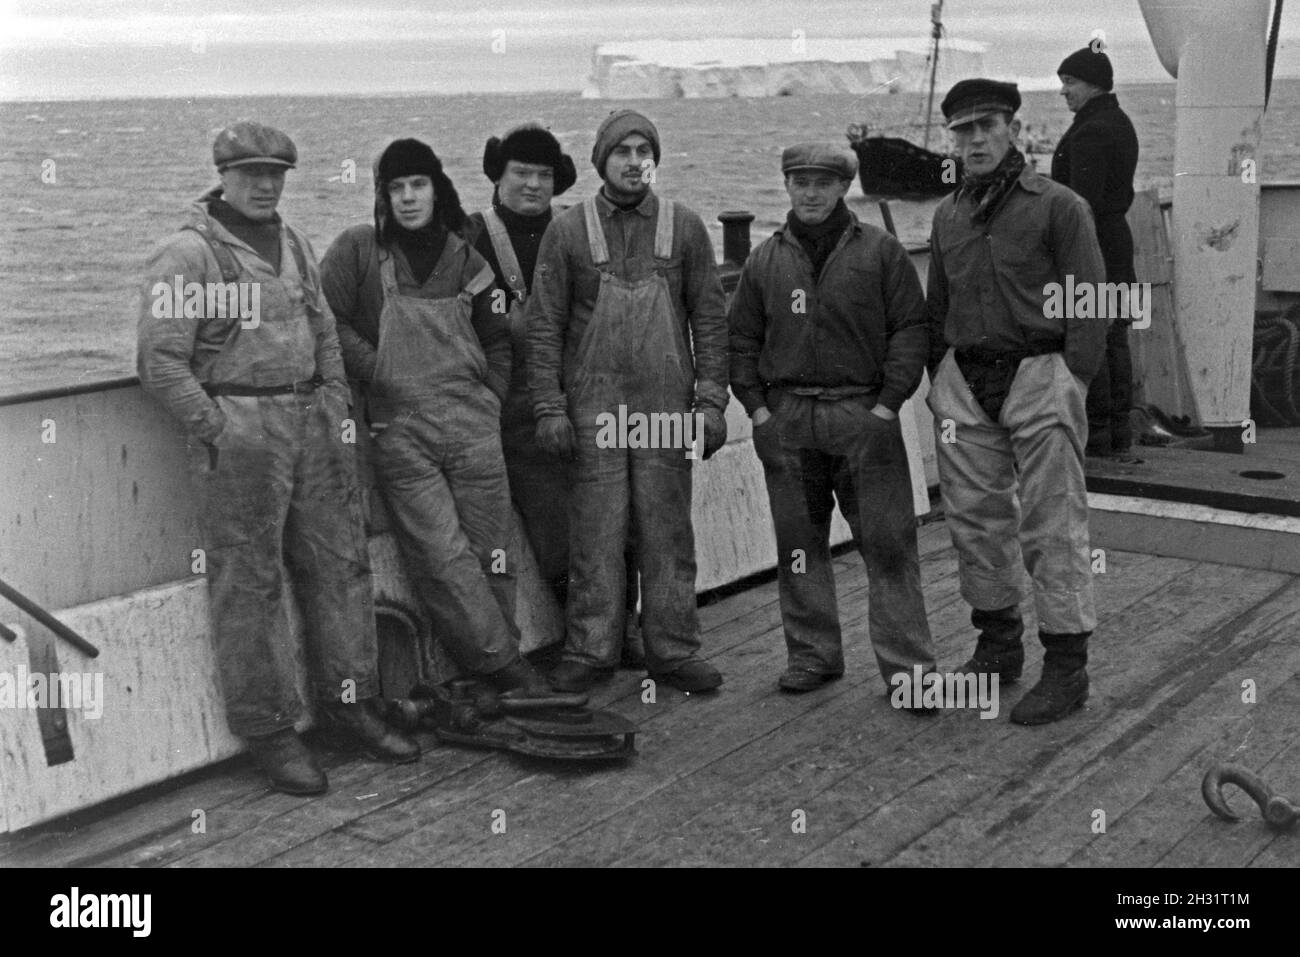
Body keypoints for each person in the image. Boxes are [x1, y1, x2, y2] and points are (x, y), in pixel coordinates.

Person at [137, 121, 418, 797]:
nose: (265, 185)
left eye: (276, 174)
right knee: (250, 583)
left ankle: (351, 702)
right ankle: (269, 728)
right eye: (251, 173)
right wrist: (218, 427)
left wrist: (329, 400)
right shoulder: (188, 254)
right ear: (224, 175)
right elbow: (160, 362)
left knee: (341, 562)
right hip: (241, 431)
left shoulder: (292, 242)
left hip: (312, 423)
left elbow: (323, 327)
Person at [320, 137, 550, 700]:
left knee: (495, 552)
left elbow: (499, 337)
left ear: (436, 188)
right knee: (441, 557)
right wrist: (379, 367)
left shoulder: (466, 259)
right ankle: (507, 670)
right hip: (401, 432)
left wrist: (491, 397)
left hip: (474, 425)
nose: (406, 198)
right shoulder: (356, 251)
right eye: (394, 188)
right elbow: (325, 321)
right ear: (382, 195)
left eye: (417, 184)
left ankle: (500, 665)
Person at [926, 80, 1108, 725]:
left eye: (987, 126)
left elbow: (1089, 300)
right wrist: (938, 374)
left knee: (1053, 525)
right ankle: (997, 651)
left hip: (1039, 373)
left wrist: (1073, 379)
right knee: (975, 523)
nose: (974, 140)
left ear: (1012, 129)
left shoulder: (1060, 207)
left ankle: (1066, 667)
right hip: (966, 382)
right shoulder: (948, 214)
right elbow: (937, 304)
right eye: (962, 130)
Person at [529, 110, 730, 693]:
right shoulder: (567, 232)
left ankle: (673, 650)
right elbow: (544, 327)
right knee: (596, 532)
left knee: (667, 530)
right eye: (623, 151)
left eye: (645, 150)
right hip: (593, 410)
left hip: (666, 408)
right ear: (601, 161)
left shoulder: (685, 227)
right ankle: (591, 651)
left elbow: (711, 322)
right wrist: (549, 407)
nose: (635, 160)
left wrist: (711, 402)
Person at [728, 143, 938, 701]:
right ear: (787, 188)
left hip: (862, 415)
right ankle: (813, 656)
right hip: (789, 418)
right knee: (800, 547)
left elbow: (911, 330)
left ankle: (910, 671)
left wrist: (887, 406)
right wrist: (759, 412)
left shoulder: (882, 252)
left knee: (889, 545)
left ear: (844, 187)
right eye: (800, 182)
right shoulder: (764, 260)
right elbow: (741, 340)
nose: (811, 193)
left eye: (823, 182)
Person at [464, 122, 647, 666]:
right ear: (498, 176)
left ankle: (627, 628)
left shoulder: (577, 231)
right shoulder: (470, 238)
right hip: (516, 411)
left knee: (622, 515)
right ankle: (589, 637)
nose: (532, 185)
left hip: (589, 394)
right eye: (520, 172)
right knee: (553, 529)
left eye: (543, 175)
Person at [1052, 46, 1141, 460]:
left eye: (1070, 83)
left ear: (1093, 84)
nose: (1063, 92)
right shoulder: (1119, 122)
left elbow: (1079, 202)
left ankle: (1098, 437)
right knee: (1115, 334)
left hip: (1093, 247)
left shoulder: (1090, 131)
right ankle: (1117, 431)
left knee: (1093, 336)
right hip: (1117, 243)